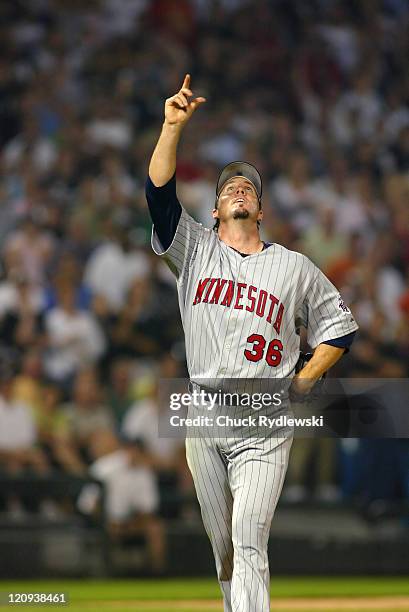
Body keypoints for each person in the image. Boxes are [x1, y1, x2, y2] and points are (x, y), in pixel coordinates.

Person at [145, 74, 358, 612]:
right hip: (204, 412)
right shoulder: (193, 250)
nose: (238, 189)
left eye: (248, 188)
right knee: (223, 549)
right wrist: (172, 127)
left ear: (260, 210)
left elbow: (338, 328)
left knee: (248, 539)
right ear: (214, 210)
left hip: (265, 418)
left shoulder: (294, 267)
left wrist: (306, 379)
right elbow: (159, 195)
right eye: (227, 188)